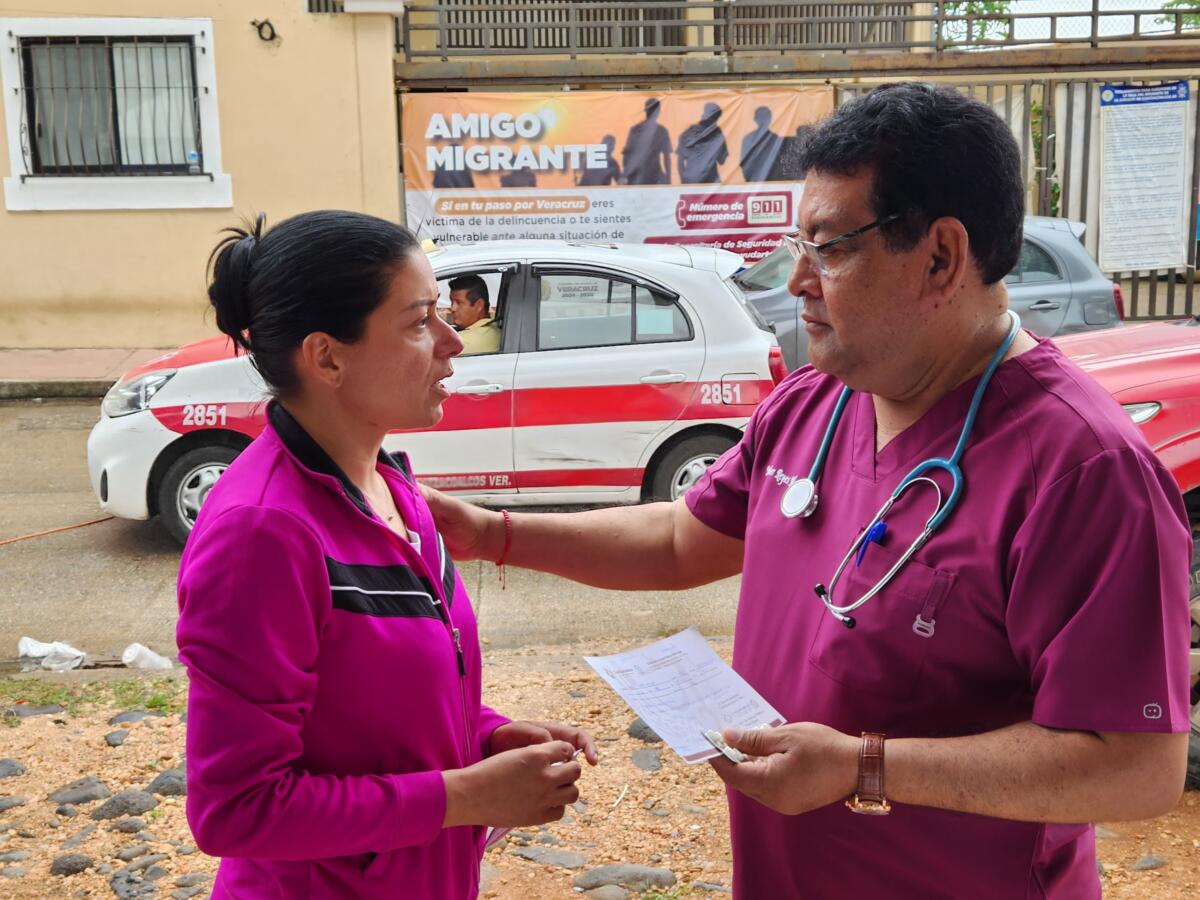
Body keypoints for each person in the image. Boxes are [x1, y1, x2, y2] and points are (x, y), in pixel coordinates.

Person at [421, 84, 1192, 898]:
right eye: (799, 245)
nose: (796, 281)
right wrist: (488, 532)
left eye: (829, 250)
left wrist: (864, 767)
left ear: (940, 257)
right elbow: (683, 538)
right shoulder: (817, 400)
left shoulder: (1083, 470)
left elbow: (1135, 767)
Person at [177, 210, 594, 899]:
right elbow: (235, 808)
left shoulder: (393, 488)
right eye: (419, 321)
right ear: (327, 357)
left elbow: (368, 709)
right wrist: (463, 796)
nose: (453, 342)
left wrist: (486, 737)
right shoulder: (262, 534)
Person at [622, 97, 672, 185]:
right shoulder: (636, 130)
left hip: (650, 176)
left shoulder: (661, 131)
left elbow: (667, 157)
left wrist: (668, 179)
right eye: (652, 109)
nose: (653, 112)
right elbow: (627, 154)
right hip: (639, 176)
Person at [447, 274, 501, 355]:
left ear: (479, 305)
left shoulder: (462, 342)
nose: (452, 308)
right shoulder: (496, 330)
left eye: (459, 303)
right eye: (452, 302)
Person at [677, 102, 729, 184]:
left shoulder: (687, 133)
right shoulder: (717, 134)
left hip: (690, 178)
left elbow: (680, 161)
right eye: (717, 117)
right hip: (711, 180)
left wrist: (683, 180)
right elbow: (722, 161)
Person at [739, 106, 782, 183]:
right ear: (755, 119)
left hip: (772, 181)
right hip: (753, 179)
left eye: (765, 118)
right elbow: (743, 161)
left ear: (770, 119)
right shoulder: (748, 138)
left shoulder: (776, 139)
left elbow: (780, 161)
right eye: (761, 118)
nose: (763, 121)